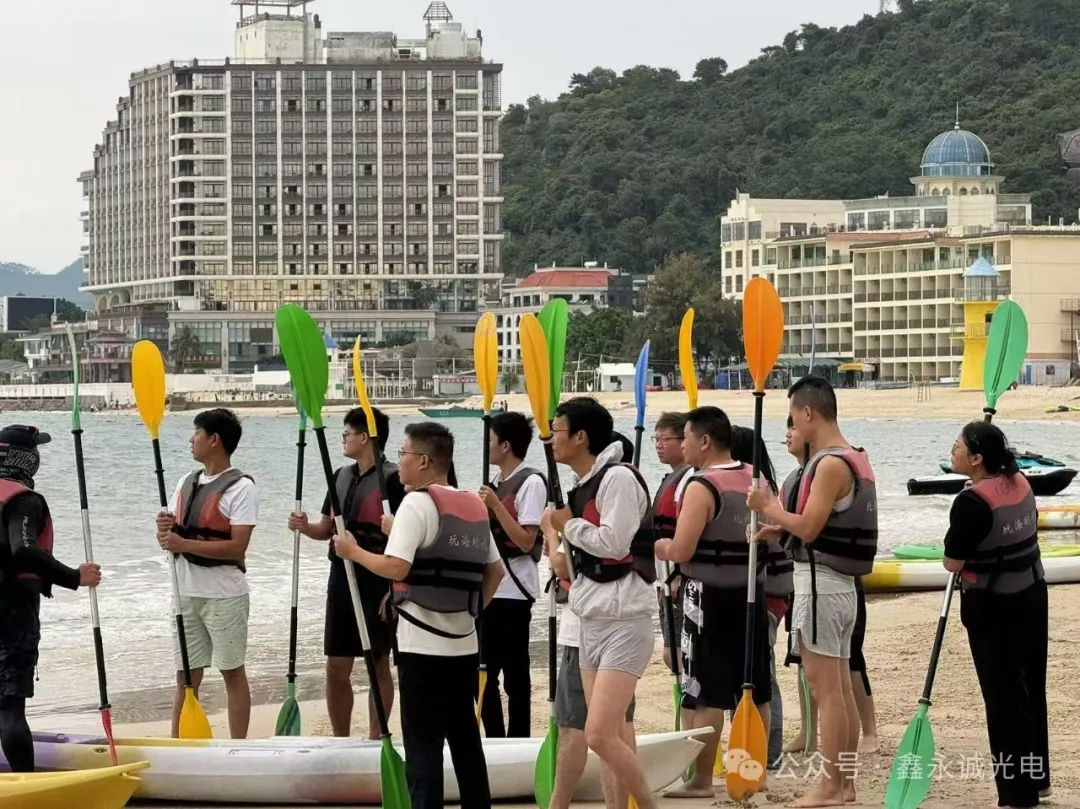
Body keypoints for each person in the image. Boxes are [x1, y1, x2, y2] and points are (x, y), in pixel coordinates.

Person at [333, 422, 503, 809]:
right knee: (465, 742)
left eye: (403, 454)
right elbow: (496, 572)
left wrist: (353, 551)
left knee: (423, 746)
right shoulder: (474, 504)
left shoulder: (415, 503)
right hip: (464, 644)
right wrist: (472, 609)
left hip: (421, 647)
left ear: (424, 461)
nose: (399, 462)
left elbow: (397, 567)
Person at [748, 376, 876, 808]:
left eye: (793, 416)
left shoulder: (829, 464)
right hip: (840, 588)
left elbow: (809, 527)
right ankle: (845, 785)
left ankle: (831, 787)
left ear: (808, 413)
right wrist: (778, 527)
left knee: (827, 692)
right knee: (838, 689)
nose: (793, 426)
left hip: (821, 588)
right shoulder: (854, 456)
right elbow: (816, 525)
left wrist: (769, 507)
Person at [545, 397, 656, 809]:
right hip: (591, 617)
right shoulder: (583, 485)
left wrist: (567, 525)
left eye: (557, 431)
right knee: (608, 735)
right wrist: (561, 533)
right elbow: (573, 562)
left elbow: (615, 543)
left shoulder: (619, 478)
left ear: (580, 436)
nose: (551, 440)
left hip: (625, 619)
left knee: (598, 734)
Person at [654, 407, 771, 798]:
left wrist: (660, 546)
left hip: (708, 600)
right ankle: (753, 774)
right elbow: (773, 535)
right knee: (754, 689)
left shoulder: (701, 486)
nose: (683, 445)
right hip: (751, 598)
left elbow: (682, 549)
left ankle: (702, 780)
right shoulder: (756, 477)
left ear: (705, 441)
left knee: (706, 694)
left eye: (686, 437)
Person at [943, 421, 1050, 808]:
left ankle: (1018, 795)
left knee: (1004, 700)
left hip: (995, 608)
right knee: (1030, 688)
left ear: (976, 459)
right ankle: (1038, 781)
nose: (952, 451)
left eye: (958, 447)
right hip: (1033, 595)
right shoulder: (1020, 481)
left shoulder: (971, 503)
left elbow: (952, 562)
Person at [287, 407, 405, 738]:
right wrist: (304, 526)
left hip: (377, 578)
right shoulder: (339, 475)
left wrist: (393, 584)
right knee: (336, 666)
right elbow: (326, 528)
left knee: (377, 662)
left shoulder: (393, 480)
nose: (343, 439)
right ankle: (340, 737)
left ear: (364, 437)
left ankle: (376, 737)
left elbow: (405, 538)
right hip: (341, 577)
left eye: (347, 433)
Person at [0, 425, 102, 772]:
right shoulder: (25, 501)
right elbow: (25, 549)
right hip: (11, 612)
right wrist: (74, 577)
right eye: (35, 450)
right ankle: (26, 784)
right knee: (10, 708)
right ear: (24, 458)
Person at [156, 409, 257, 739]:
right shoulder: (186, 482)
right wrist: (163, 531)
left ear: (214, 440)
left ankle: (238, 748)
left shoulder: (241, 488)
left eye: (196, 433)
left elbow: (238, 546)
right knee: (185, 679)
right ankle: (179, 745)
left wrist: (182, 542)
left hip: (224, 596)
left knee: (232, 672)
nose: (191, 439)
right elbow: (169, 538)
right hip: (184, 593)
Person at [476, 411, 546, 738]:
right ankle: (494, 738)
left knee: (515, 676)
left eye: (490, 440)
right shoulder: (494, 484)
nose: (486, 447)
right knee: (483, 672)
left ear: (505, 445)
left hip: (514, 592)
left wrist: (496, 506)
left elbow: (526, 540)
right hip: (489, 590)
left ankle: (519, 738)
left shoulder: (531, 482)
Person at [730, 424, 791, 771]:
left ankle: (770, 751)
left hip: (767, 596)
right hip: (773, 593)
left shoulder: (760, 495)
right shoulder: (766, 490)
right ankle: (761, 747)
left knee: (762, 674)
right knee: (757, 670)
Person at [651, 412, 693, 693]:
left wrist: (678, 573)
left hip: (676, 577)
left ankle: (691, 701)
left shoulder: (690, 478)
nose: (658, 445)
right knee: (672, 654)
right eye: (656, 439)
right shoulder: (672, 478)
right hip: (663, 577)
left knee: (677, 654)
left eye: (665, 439)